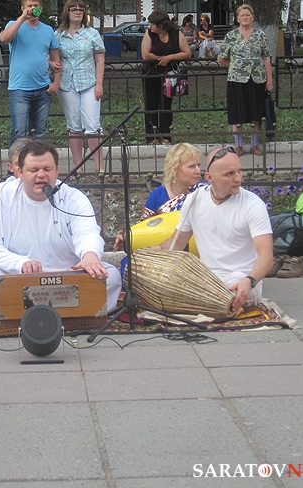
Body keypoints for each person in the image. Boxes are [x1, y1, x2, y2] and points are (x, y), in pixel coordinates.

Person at [0, 140, 122, 312]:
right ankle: (66, 312)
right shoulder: (1, 197)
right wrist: (20, 263)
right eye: (34, 170)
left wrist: (90, 254)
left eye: (47, 169)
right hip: (16, 277)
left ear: (57, 170)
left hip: (68, 277)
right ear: (20, 172)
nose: (41, 175)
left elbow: (87, 232)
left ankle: (24, 312)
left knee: (111, 276)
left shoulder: (74, 198)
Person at [157, 147, 274, 312]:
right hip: (206, 279)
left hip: (241, 280)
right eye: (229, 174)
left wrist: (249, 281)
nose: (237, 178)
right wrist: (150, 252)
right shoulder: (194, 199)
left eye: (239, 171)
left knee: (229, 292)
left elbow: (266, 255)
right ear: (209, 177)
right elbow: (176, 243)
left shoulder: (253, 205)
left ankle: (201, 304)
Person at [113, 142, 205, 251]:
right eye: (192, 166)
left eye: (198, 165)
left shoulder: (205, 192)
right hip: (161, 253)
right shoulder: (157, 195)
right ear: (174, 168)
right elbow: (146, 229)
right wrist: (126, 237)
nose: (198, 171)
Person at [0, 0, 61, 143]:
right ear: (23, 8)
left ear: (41, 8)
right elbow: (4, 38)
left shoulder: (48, 30)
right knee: (19, 132)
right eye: (29, 6)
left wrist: (56, 83)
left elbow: (56, 60)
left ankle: (35, 159)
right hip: (20, 89)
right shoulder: (14, 25)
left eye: (36, 6)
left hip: (43, 89)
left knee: (39, 133)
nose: (33, 8)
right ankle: (15, 159)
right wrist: (22, 18)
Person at [55, 0, 105, 173]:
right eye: (73, 9)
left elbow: (100, 60)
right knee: (74, 127)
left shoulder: (92, 34)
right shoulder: (58, 35)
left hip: (89, 83)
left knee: (92, 126)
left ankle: (100, 169)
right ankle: (78, 169)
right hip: (67, 85)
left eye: (81, 9)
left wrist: (99, 84)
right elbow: (53, 57)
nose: (77, 12)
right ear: (66, 12)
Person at [218, 4, 273, 156]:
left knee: (256, 113)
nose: (245, 17)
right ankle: (239, 146)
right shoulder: (231, 36)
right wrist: (235, 66)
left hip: (257, 79)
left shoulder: (260, 35)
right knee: (237, 114)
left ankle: (255, 145)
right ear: (237, 18)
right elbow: (221, 58)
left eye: (248, 15)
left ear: (252, 17)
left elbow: (266, 57)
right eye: (242, 15)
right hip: (236, 80)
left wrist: (269, 80)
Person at [141, 11, 191, 145]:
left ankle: (165, 136)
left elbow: (186, 52)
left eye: (153, 24)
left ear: (161, 25)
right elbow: (145, 54)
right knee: (150, 104)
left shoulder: (176, 34)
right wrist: (160, 59)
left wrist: (169, 58)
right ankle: (151, 137)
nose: (150, 26)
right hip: (151, 73)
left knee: (166, 105)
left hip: (169, 74)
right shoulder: (149, 34)